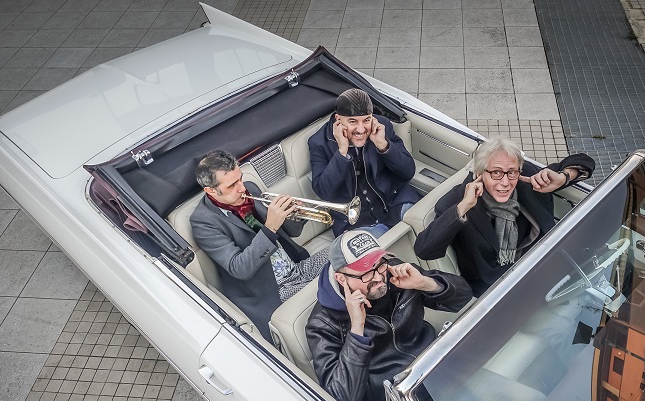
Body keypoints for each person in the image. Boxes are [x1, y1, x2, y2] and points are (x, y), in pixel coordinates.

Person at [306, 230, 472, 401]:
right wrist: (357, 329)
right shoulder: (322, 323)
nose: (378, 277)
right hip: (400, 400)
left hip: (436, 367)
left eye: (379, 265)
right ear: (342, 279)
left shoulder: (392, 271)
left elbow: (463, 298)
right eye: (366, 273)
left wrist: (424, 283)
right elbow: (341, 398)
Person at [414, 137, 595, 297]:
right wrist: (463, 207)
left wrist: (563, 178)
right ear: (479, 172)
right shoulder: (457, 201)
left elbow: (584, 161)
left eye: (512, 172)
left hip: (545, 259)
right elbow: (424, 250)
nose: (505, 182)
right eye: (496, 173)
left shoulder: (528, 178)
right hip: (500, 285)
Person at [190, 150, 329, 343]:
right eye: (232, 185)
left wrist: (294, 215)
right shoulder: (203, 222)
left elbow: (291, 233)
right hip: (274, 290)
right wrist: (270, 226)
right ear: (211, 191)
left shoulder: (250, 188)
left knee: (346, 248)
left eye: (240, 178)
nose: (242, 188)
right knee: (334, 288)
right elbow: (239, 268)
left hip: (297, 267)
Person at [308, 88, 420, 236]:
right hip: (357, 222)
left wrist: (383, 145)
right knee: (382, 250)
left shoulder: (382, 126)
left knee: (427, 228)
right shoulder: (319, 143)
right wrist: (342, 152)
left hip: (394, 201)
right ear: (338, 119)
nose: (361, 130)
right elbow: (324, 192)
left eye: (366, 120)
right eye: (353, 122)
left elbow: (408, 172)